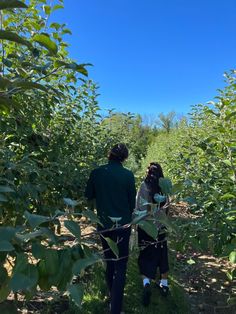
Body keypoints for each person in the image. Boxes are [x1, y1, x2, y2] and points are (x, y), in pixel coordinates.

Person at [85, 143, 136, 314]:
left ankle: (111, 295)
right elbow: (132, 204)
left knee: (109, 260)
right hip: (123, 224)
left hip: (104, 224)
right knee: (121, 264)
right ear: (125, 158)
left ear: (110, 154)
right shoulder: (128, 175)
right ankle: (116, 308)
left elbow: (88, 195)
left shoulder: (97, 173)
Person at [136, 162, 169, 306]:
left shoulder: (144, 186)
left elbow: (138, 206)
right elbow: (168, 206)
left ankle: (146, 283)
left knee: (145, 255)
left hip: (145, 227)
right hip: (160, 227)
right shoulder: (165, 187)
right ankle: (164, 284)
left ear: (148, 172)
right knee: (162, 254)